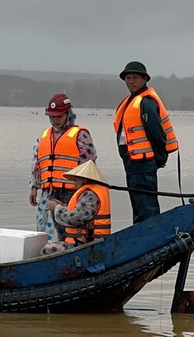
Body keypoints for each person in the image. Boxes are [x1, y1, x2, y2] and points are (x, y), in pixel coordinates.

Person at [112, 61, 178, 224]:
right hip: (132, 163)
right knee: (138, 205)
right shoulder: (130, 101)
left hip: (144, 162)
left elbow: (156, 133)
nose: (131, 81)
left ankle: (150, 237)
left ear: (144, 79)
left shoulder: (146, 102)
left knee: (146, 207)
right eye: (128, 78)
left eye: (135, 77)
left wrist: (159, 159)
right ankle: (141, 236)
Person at [28, 93, 97, 242]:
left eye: (59, 116)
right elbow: (37, 163)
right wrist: (34, 186)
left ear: (68, 114)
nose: (55, 120)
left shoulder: (81, 135)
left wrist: (83, 189)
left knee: (71, 231)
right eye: (52, 116)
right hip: (49, 192)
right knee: (47, 232)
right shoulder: (45, 136)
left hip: (71, 192)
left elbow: (89, 164)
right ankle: (49, 253)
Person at [43, 160, 111, 252]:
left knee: (47, 249)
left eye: (75, 180)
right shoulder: (90, 192)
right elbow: (82, 213)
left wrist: (57, 208)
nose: (73, 183)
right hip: (84, 242)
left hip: (87, 243)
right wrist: (62, 206)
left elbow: (76, 218)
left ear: (84, 179)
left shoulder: (90, 195)